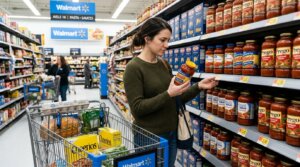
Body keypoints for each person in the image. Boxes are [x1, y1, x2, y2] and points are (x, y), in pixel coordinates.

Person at [123, 17, 219, 167]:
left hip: (171, 133)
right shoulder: (133, 68)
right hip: (150, 136)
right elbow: (137, 109)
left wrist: (199, 86)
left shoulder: (163, 64)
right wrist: (168, 94)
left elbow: (175, 99)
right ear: (147, 39)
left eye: (168, 40)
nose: (167, 45)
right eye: (162, 40)